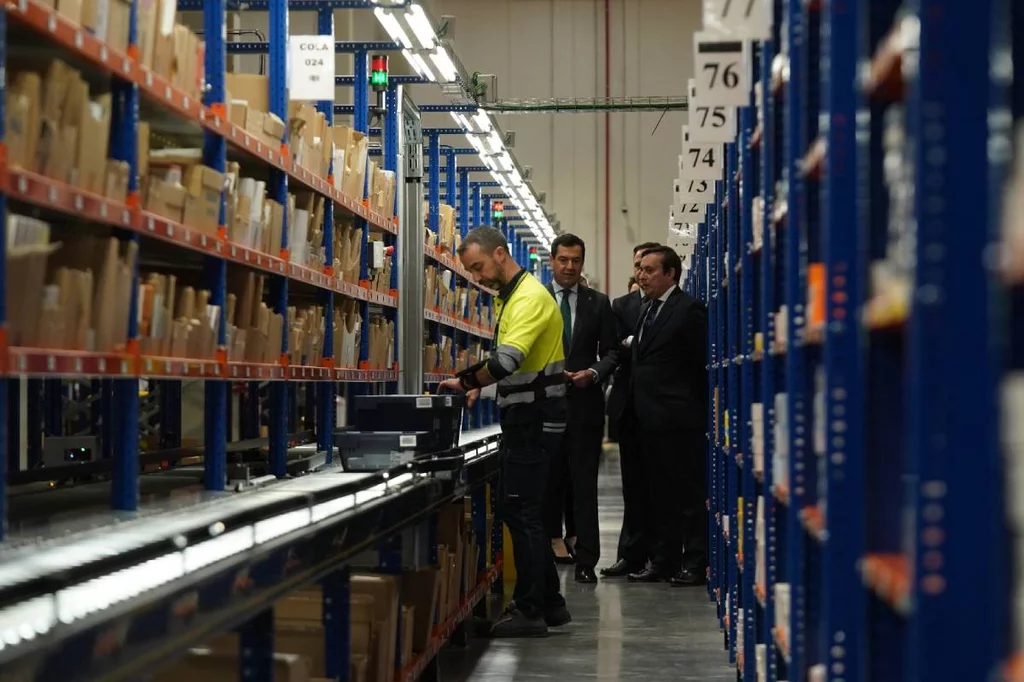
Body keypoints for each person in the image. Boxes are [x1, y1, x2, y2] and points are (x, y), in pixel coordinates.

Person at [439, 226, 571, 637]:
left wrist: (467, 382)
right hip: (525, 416)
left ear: (500, 254)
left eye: (478, 267)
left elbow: (508, 360)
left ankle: (532, 609)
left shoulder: (529, 298)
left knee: (522, 510)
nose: (476, 277)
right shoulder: (512, 297)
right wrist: (482, 384)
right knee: (524, 509)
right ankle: (550, 602)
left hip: (534, 421)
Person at [626, 245, 709, 586]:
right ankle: (663, 560)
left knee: (687, 495)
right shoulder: (648, 309)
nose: (641, 276)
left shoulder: (689, 310)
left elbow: (698, 364)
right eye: (640, 270)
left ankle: (694, 563)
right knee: (659, 495)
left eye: (649, 270)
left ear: (670, 273)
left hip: (678, 420)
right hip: (648, 420)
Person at [544, 233, 619, 584]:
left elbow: (613, 352)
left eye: (576, 260)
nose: (570, 266)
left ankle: (587, 559)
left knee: (584, 485)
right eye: (563, 260)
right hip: (544, 407)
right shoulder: (536, 299)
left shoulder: (598, 302)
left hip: (585, 407)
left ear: (582, 263)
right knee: (550, 482)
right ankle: (551, 542)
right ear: (552, 260)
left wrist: (593, 372)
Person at [602, 242, 661, 578]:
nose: (640, 271)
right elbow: (614, 350)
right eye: (637, 263)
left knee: (659, 484)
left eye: (646, 265)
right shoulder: (622, 305)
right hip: (628, 405)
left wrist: (632, 343)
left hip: (658, 407)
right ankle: (631, 554)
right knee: (632, 485)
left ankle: (660, 554)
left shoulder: (668, 306)